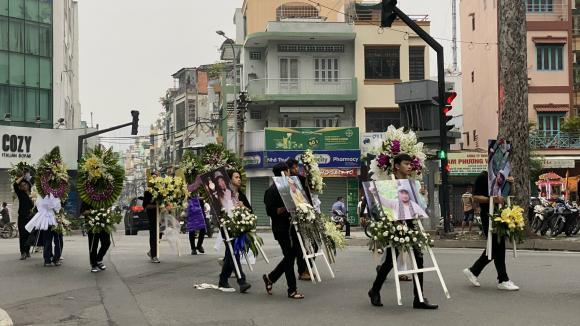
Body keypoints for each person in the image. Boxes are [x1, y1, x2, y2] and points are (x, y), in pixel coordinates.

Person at [368, 153, 438, 309]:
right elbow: (384, 203)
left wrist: (421, 197)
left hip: (412, 222)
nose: (409, 166)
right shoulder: (389, 183)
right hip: (396, 223)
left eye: (410, 164)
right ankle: (375, 289)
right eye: (406, 164)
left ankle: (418, 298)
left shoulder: (412, 183)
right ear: (397, 166)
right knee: (390, 260)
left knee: (418, 258)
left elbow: (421, 205)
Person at [463, 171, 519, 291]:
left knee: (496, 246)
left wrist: (511, 184)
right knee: (497, 245)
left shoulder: (504, 176)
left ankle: (474, 271)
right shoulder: (484, 176)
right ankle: (502, 279)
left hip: (502, 213)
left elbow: (510, 195)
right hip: (488, 214)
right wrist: (492, 200)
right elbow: (476, 197)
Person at [262, 163, 304, 299]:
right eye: (287, 172)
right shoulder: (271, 191)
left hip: (293, 227)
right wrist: (287, 206)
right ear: (283, 173)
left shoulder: (290, 187)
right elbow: (271, 212)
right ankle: (292, 290)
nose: (289, 174)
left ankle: (271, 278)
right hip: (281, 229)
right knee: (289, 257)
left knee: (292, 255)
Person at [217, 170, 252, 293]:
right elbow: (221, 211)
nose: (239, 179)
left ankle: (223, 279)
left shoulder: (240, 194)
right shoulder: (224, 193)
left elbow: (250, 210)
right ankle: (241, 280)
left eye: (239, 177)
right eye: (236, 177)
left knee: (230, 253)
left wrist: (242, 206)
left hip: (239, 227)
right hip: (228, 227)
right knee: (234, 252)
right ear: (229, 179)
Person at [286, 158, 314, 282]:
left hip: (307, 214)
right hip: (294, 218)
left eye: (297, 167)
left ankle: (308, 267)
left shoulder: (302, 180)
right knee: (299, 246)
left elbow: (308, 195)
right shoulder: (284, 182)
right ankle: (302, 270)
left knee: (314, 243)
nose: (296, 170)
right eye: (293, 168)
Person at [81, 202, 110, 273]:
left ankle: (98, 259)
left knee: (107, 243)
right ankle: (93, 264)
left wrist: (107, 212)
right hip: (92, 224)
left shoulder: (104, 197)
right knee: (93, 245)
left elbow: (108, 208)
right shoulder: (87, 198)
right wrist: (94, 212)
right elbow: (83, 212)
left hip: (103, 223)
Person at [14, 175, 33, 260]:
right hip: (22, 217)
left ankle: (27, 251)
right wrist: (22, 176)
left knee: (29, 235)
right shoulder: (20, 194)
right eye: (21, 186)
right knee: (22, 235)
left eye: (25, 185)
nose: (23, 186)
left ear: (28, 185)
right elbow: (15, 185)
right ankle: (23, 253)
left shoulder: (33, 193)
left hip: (30, 217)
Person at [143, 172, 160, 263]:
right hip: (152, 216)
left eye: (156, 177)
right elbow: (145, 205)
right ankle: (154, 255)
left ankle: (152, 250)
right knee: (153, 234)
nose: (155, 179)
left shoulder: (161, 189)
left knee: (159, 234)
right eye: (153, 177)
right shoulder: (147, 191)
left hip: (160, 215)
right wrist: (155, 207)